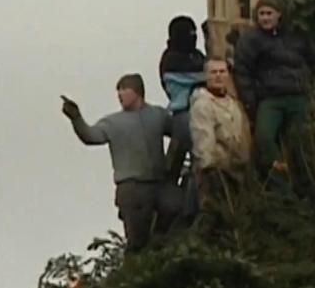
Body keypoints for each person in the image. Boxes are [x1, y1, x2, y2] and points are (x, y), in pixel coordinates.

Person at [61, 74, 181, 252]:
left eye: (125, 89)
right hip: (131, 187)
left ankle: (159, 248)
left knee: (176, 205)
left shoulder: (157, 115)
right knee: (137, 241)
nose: (120, 94)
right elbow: (90, 136)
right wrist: (76, 118)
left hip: (159, 183)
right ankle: (134, 272)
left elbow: (179, 130)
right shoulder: (112, 122)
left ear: (137, 92)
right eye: (118, 90)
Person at [232, 0, 315, 191]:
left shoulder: (296, 36)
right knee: (264, 137)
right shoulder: (251, 40)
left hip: (297, 96)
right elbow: (243, 72)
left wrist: (312, 85)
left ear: (279, 14)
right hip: (270, 98)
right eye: (261, 14)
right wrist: (251, 103)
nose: (265, 18)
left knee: (300, 140)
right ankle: (279, 179)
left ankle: (303, 183)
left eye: (269, 13)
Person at [189, 57, 251, 213]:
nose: (218, 75)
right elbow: (203, 143)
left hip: (239, 171)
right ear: (206, 76)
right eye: (213, 72)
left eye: (222, 71)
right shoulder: (202, 105)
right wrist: (211, 169)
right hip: (216, 174)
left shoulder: (234, 104)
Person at [159, 16, 206, 183]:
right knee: (179, 158)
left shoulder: (197, 55)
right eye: (189, 33)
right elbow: (194, 77)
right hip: (183, 113)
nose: (192, 36)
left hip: (202, 111)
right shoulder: (171, 59)